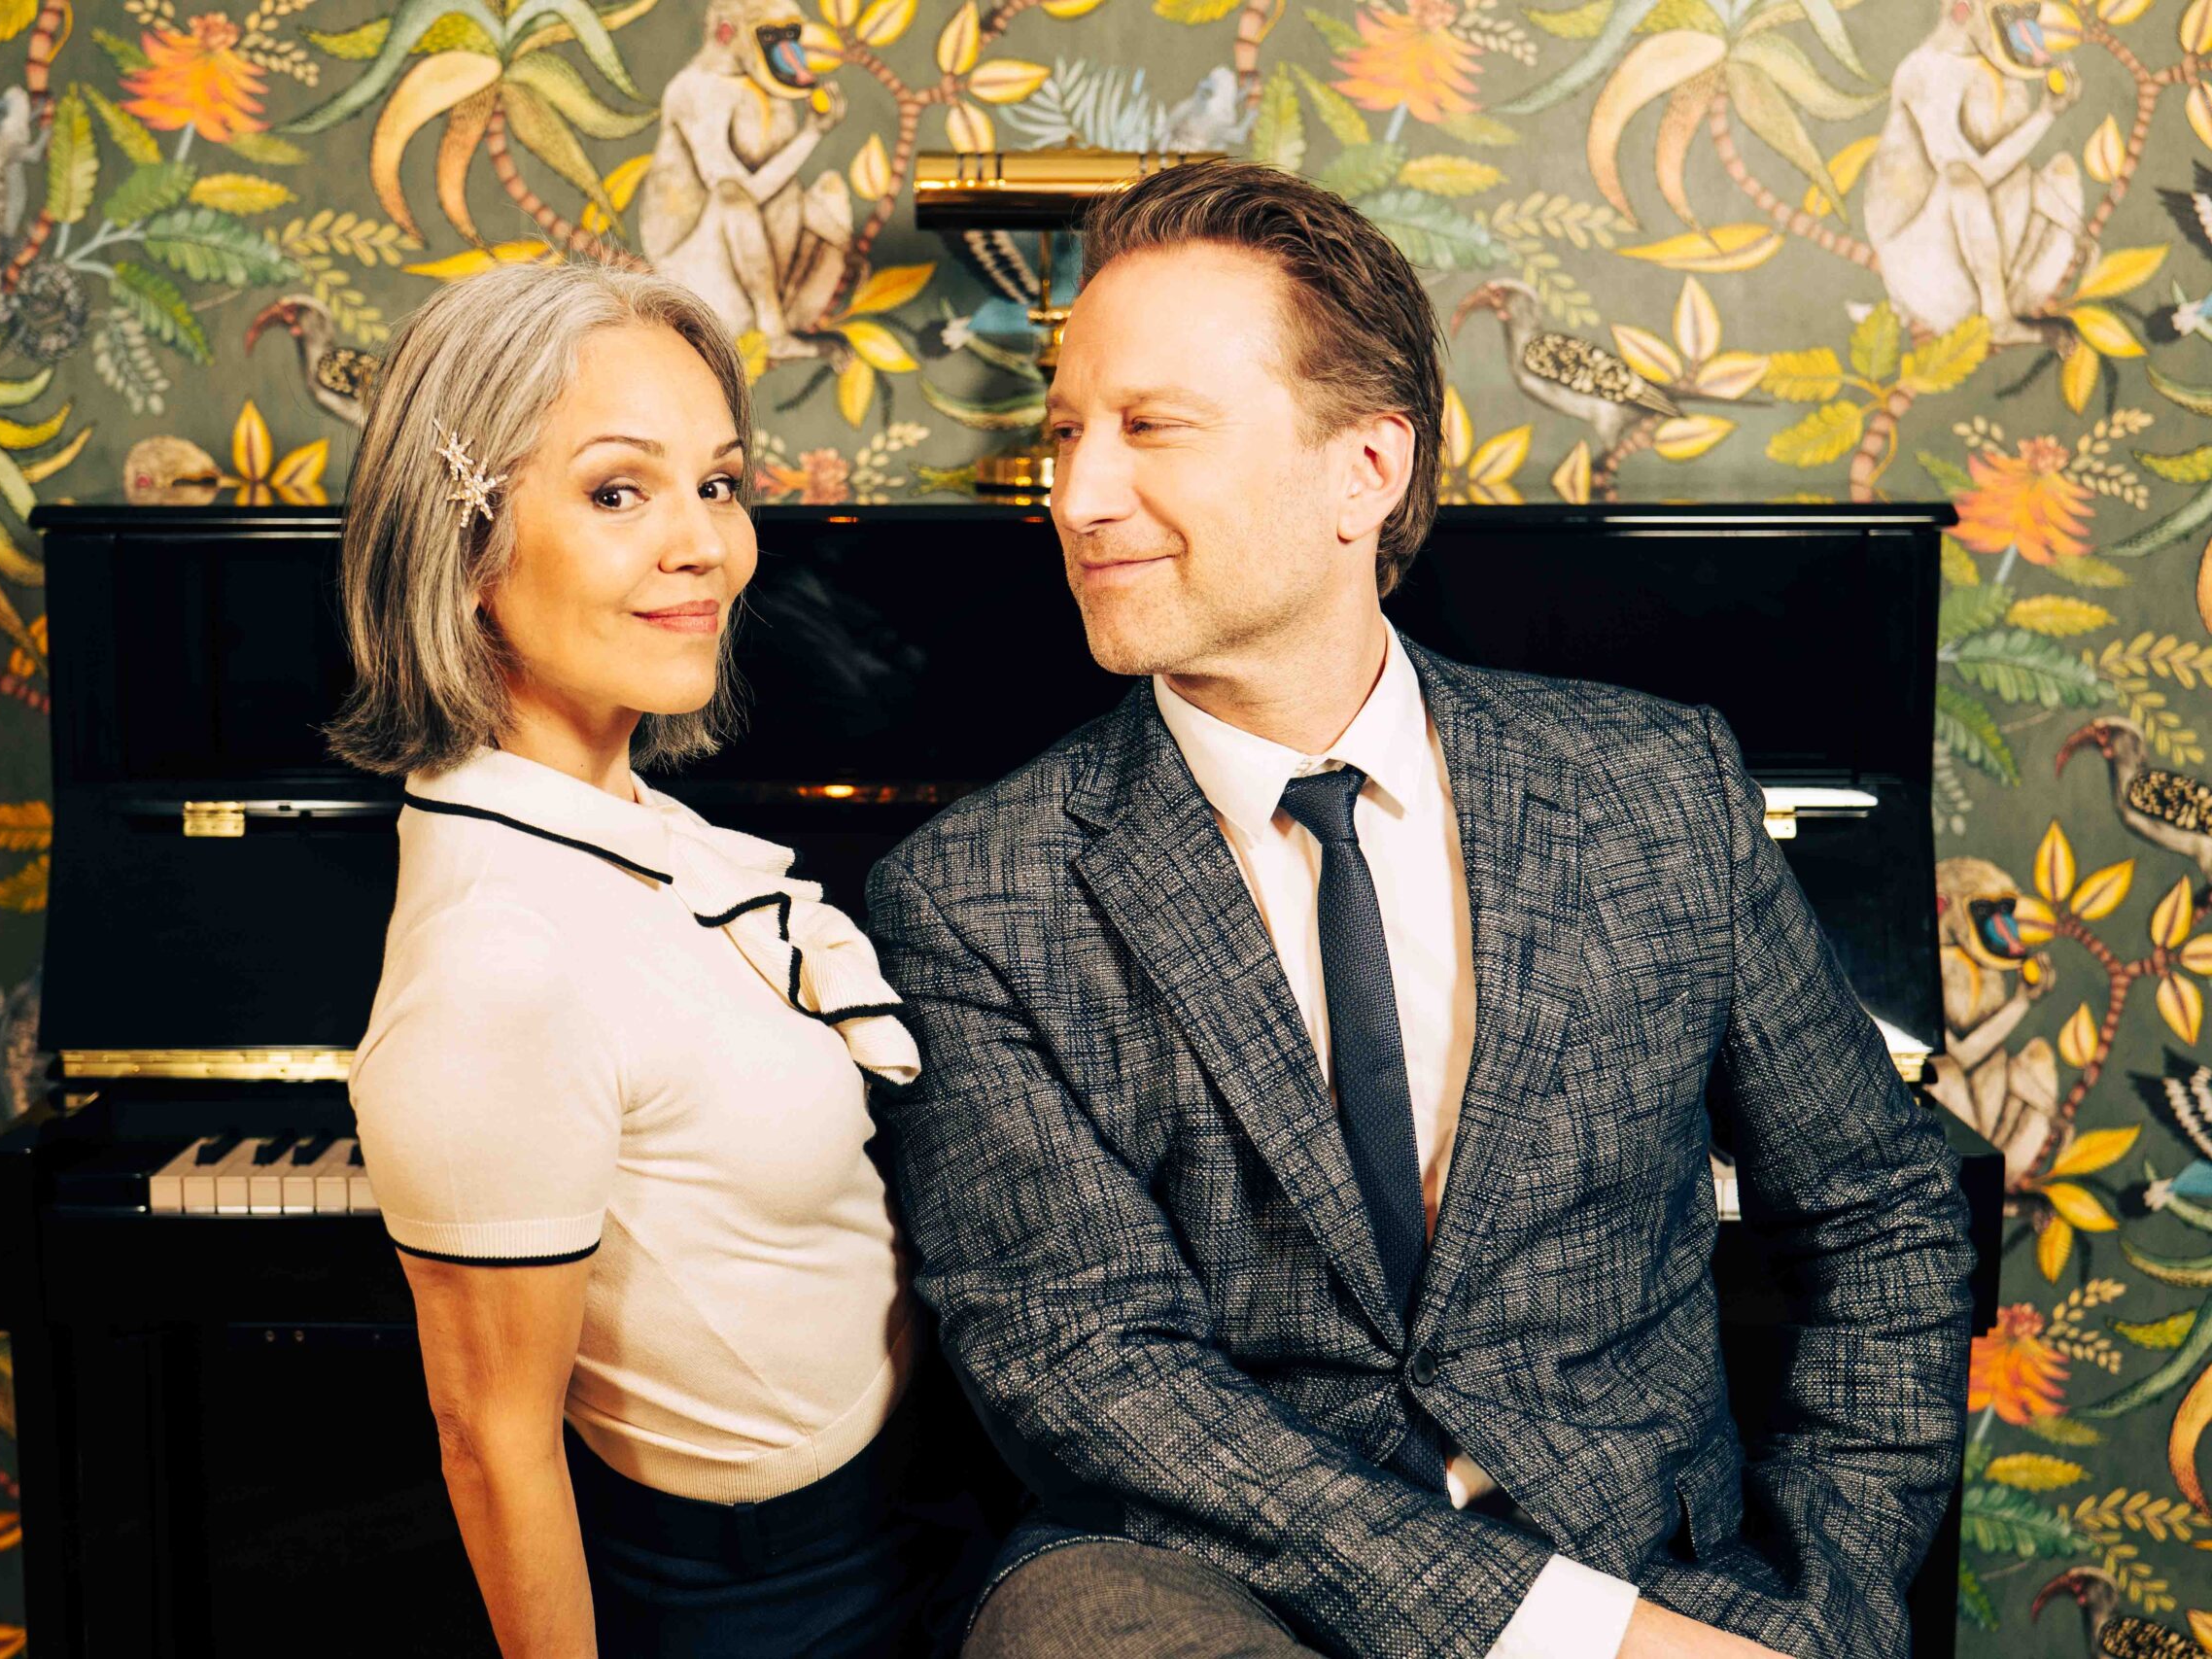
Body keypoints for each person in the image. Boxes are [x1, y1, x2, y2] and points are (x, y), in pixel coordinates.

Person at [866, 158, 1976, 1659]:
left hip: (1664, 1564)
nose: (1077, 495)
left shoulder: (1654, 785)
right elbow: (1090, 1365)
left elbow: (1881, 1212)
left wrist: (1831, 1605)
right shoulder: (971, 893)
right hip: (1228, 1592)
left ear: (1366, 469)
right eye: (1066, 433)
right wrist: (1581, 1640)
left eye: (1153, 427)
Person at [333, 259, 989, 1658]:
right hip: (770, 1597)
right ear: (464, 548)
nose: (707, 546)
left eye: (719, 483)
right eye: (619, 492)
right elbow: (490, 1439)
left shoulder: (633, 827)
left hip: (909, 1510)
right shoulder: (496, 959)